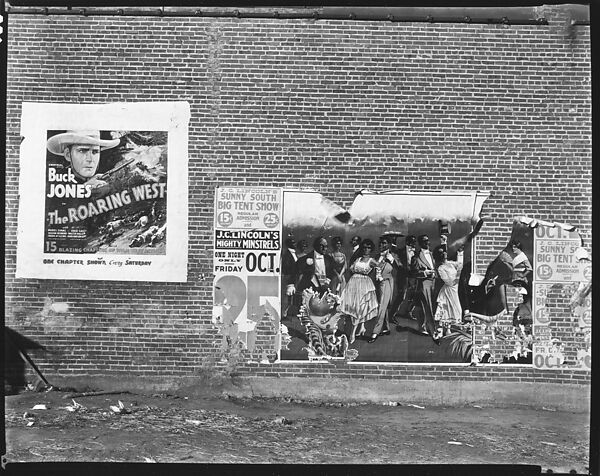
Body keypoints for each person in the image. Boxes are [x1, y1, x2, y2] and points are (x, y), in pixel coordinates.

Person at [339, 239, 379, 343]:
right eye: (365, 247)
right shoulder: (358, 259)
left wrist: (379, 275)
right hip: (353, 284)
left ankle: (353, 334)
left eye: (369, 248)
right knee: (354, 308)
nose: (366, 250)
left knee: (360, 307)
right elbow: (351, 269)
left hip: (365, 284)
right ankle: (361, 328)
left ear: (371, 249)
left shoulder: (372, 261)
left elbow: (380, 268)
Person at [46, 130, 120, 184]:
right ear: (68, 155)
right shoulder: (56, 183)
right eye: (82, 151)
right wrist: (85, 188)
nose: (90, 159)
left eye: (95, 152)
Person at [368, 236, 399, 343]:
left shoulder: (393, 255)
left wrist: (392, 259)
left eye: (384, 243)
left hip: (386, 283)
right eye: (380, 243)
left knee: (381, 306)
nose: (381, 245)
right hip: (377, 283)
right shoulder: (377, 256)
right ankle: (386, 328)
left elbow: (400, 267)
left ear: (388, 244)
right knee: (382, 305)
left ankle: (375, 332)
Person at [432, 245, 465, 339]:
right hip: (449, 290)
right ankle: (444, 329)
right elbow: (449, 282)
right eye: (441, 253)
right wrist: (459, 276)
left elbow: (460, 264)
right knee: (448, 308)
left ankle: (450, 328)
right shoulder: (441, 268)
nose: (444, 254)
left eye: (444, 252)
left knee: (456, 309)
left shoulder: (450, 263)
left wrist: (460, 253)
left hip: (456, 289)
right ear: (439, 256)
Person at [411, 234, 437, 337]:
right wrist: (425, 273)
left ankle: (425, 326)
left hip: (434, 283)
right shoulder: (416, 257)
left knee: (433, 306)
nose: (427, 242)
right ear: (420, 243)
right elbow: (413, 272)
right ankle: (431, 330)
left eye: (427, 240)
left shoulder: (432, 254)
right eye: (424, 241)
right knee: (427, 307)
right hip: (424, 284)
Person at [394, 235, 418, 321]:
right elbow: (397, 263)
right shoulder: (400, 251)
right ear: (408, 242)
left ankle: (409, 312)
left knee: (413, 295)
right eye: (413, 242)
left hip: (412, 277)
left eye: (415, 242)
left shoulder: (416, 252)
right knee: (401, 296)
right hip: (403, 276)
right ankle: (393, 314)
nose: (414, 244)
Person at [281, 237, 299, 320]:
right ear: (289, 244)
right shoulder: (287, 255)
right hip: (289, 280)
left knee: (290, 298)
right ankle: (283, 315)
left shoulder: (293, 253)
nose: (295, 244)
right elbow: (287, 268)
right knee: (287, 298)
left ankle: (285, 313)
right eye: (293, 242)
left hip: (293, 279)